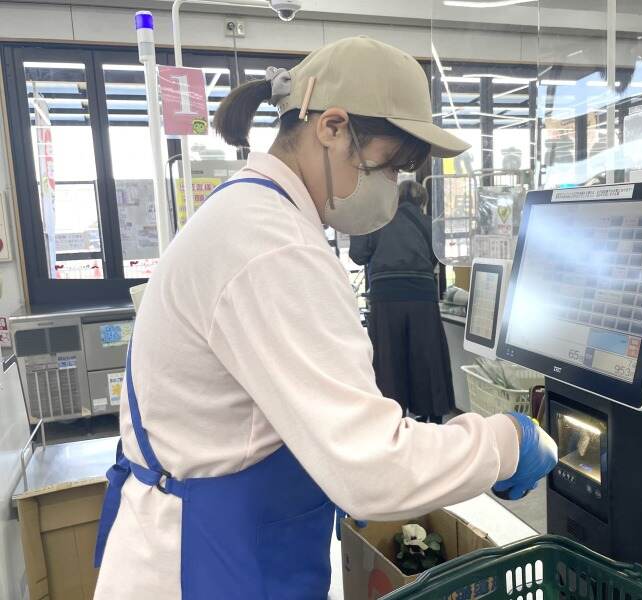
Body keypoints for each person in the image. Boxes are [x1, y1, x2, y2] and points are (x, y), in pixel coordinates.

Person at [93, 37, 557, 600]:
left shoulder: (248, 210)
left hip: (208, 539)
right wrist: (506, 443)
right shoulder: (274, 246)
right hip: (204, 565)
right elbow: (373, 467)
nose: (390, 187)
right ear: (332, 128)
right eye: (389, 165)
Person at [350, 180, 454, 424]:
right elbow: (436, 258)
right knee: (427, 356)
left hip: (386, 297)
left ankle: (391, 416)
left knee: (388, 359)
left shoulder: (378, 221)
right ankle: (432, 415)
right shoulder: (430, 225)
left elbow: (358, 255)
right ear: (422, 202)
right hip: (422, 296)